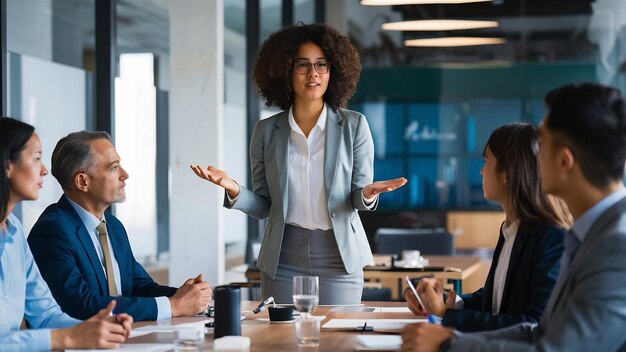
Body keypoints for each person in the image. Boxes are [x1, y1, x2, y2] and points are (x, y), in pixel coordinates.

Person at [191, 23, 406, 304]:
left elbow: (356, 196)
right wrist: (233, 188)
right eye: (302, 65)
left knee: (338, 342)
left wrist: (366, 195)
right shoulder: (266, 131)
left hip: (338, 258)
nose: (313, 73)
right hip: (282, 259)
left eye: (322, 65)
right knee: (281, 341)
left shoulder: (354, 126)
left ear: (334, 71)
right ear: (285, 71)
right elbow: (264, 206)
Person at [401, 82, 626, 351]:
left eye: (540, 145)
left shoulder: (616, 245)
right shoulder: (591, 234)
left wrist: (450, 343)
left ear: (564, 161)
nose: (531, 157)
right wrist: (453, 333)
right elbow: (540, 332)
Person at [28, 131, 212, 322]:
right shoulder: (52, 231)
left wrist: (188, 296)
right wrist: (174, 305)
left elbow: (138, 286)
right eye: (114, 168)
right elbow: (79, 305)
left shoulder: (113, 226)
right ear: (83, 181)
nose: (125, 175)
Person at [405, 123, 570, 332]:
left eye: (487, 161)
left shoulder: (551, 237)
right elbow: (495, 302)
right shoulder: (511, 229)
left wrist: (448, 315)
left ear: (507, 172)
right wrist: (445, 301)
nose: (482, 171)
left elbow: (534, 324)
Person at [0, 117, 133, 351]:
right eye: (36, 159)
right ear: (7, 166)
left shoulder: (15, 232)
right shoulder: (53, 228)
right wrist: (67, 339)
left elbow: (47, 315)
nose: (44, 171)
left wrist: (95, 329)